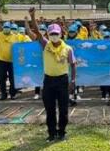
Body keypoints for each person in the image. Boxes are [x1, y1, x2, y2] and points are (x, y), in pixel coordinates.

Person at [29, 8, 76, 142]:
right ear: (48, 35)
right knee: (50, 109)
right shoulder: (46, 45)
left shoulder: (68, 49)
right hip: (48, 81)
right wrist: (32, 16)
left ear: (60, 34)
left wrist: (72, 81)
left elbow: (73, 65)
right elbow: (37, 32)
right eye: (51, 34)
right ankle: (51, 133)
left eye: (56, 33)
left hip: (62, 81)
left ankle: (61, 133)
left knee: (63, 109)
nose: (54, 36)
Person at [0, 20, 19, 100]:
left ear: (10, 28)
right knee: (1, 78)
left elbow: (19, 48)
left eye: (7, 27)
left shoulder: (15, 36)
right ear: (3, 28)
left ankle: (13, 94)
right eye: (5, 27)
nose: (6, 28)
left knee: (13, 79)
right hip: (1, 61)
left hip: (12, 61)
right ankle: (3, 94)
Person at [100, 30, 110, 104]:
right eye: (105, 37)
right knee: (103, 81)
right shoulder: (100, 46)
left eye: (108, 37)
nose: (107, 39)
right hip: (102, 67)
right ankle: (104, 94)